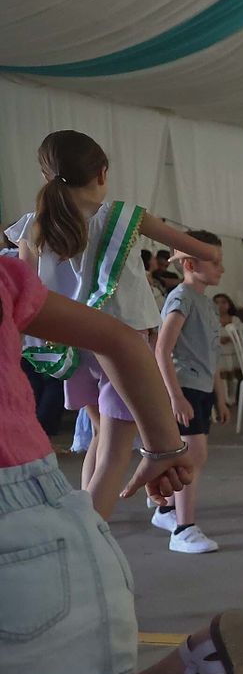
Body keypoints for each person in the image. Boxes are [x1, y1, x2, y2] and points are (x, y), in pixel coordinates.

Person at [0, 253, 243, 674]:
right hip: (50, 528)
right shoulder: (8, 276)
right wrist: (164, 446)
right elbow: (120, 337)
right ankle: (186, 672)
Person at [7, 130, 223, 521]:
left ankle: (86, 522)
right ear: (102, 173)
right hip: (123, 352)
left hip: (70, 348)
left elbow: (25, 293)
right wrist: (182, 253)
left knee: (98, 442)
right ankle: (93, 538)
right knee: (113, 454)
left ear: (46, 175)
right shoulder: (126, 217)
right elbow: (206, 251)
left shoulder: (33, 226)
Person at [151, 230, 231, 553]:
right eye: (215, 262)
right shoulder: (181, 298)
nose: (221, 269)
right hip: (184, 386)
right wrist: (175, 396)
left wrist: (220, 396)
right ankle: (183, 528)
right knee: (190, 456)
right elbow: (162, 349)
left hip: (200, 389)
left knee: (193, 455)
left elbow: (211, 355)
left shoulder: (207, 304)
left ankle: (168, 510)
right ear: (188, 262)